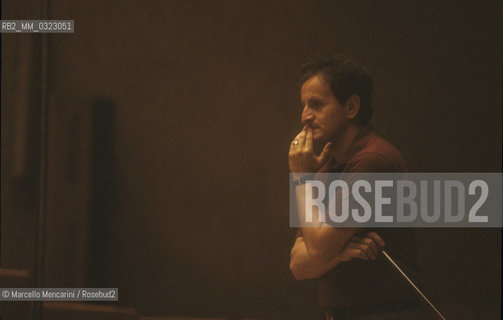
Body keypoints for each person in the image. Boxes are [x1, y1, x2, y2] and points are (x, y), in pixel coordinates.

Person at [288, 55, 424, 319]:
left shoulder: (374, 160)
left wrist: (300, 179)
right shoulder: (327, 167)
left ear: (351, 107)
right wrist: (339, 255)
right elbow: (298, 265)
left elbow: (317, 250)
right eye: (303, 105)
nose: (305, 116)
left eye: (316, 104)